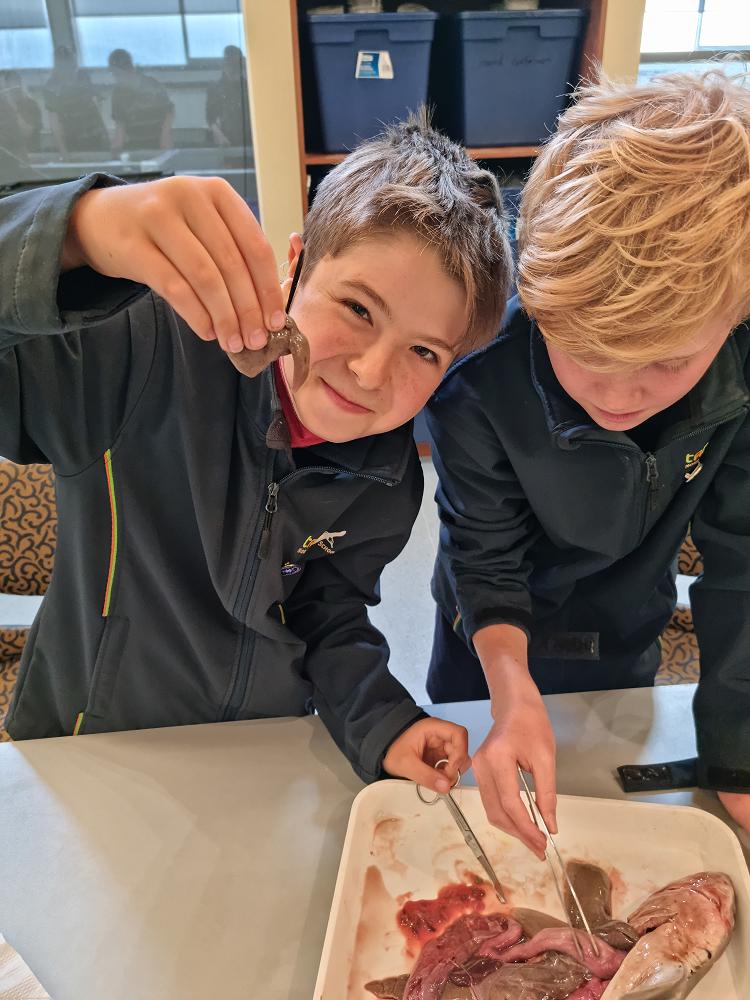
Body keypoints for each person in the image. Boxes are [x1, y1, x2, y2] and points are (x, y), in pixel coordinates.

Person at [0, 114, 511, 795]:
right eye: (358, 309)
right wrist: (76, 233)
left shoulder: (386, 478)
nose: (369, 372)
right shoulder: (140, 345)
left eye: (424, 351)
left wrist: (384, 722)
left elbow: (325, 611)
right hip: (93, 753)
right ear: (295, 266)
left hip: (261, 756)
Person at [426, 69, 750, 854]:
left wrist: (739, 760)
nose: (617, 393)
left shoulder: (741, 367)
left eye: (667, 364)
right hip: (484, 639)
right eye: (581, 353)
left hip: (624, 623)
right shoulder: (476, 377)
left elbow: (743, 562)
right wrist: (511, 694)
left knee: (611, 796)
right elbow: (484, 554)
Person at [43, 45, 108, 155]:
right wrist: (62, 150)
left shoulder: (83, 76)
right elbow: (54, 122)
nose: (72, 70)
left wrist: (104, 133)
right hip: (73, 139)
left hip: (95, 133)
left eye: (73, 66)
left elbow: (97, 103)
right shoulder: (52, 86)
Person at [108, 49, 174, 153]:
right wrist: (116, 147)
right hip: (134, 144)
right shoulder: (118, 93)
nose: (117, 79)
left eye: (119, 74)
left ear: (130, 69)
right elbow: (120, 124)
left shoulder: (151, 85)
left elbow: (169, 111)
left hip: (158, 142)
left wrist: (165, 135)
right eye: (114, 75)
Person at [206, 45, 251, 148]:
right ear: (224, 66)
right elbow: (210, 117)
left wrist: (247, 72)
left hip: (250, 136)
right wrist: (219, 135)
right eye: (229, 65)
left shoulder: (249, 86)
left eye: (236, 66)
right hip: (227, 137)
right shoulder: (215, 88)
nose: (232, 70)